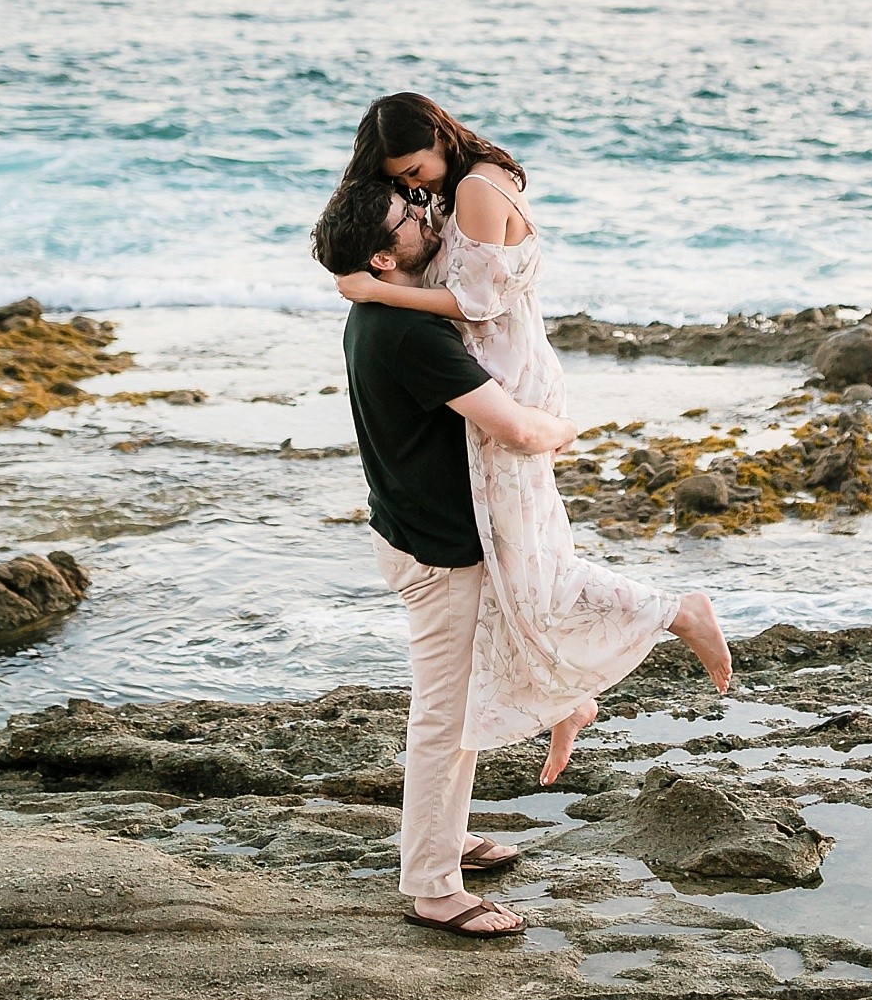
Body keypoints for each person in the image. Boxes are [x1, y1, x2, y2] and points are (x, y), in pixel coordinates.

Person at [334, 93, 732, 788]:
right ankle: (567, 701)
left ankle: (679, 612)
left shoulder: (479, 190)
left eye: (417, 169)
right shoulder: (463, 184)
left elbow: (479, 304)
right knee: (515, 572)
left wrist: (376, 291)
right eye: (402, 181)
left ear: (438, 135)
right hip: (495, 380)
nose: (415, 187)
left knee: (535, 573)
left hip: (506, 383)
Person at [311, 178, 569, 939]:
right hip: (438, 552)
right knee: (447, 720)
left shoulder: (373, 312)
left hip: (405, 529)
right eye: (410, 214)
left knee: (455, 708)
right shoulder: (410, 334)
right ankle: (432, 884)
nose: (429, 212)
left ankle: (446, 838)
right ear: (387, 258)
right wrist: (562, 429)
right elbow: (516, 430)